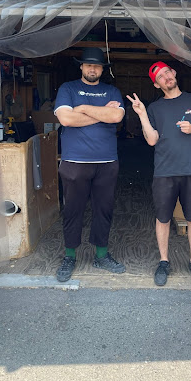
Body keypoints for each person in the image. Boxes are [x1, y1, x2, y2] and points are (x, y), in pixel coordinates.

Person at [127, 61, 191, 286]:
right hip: (164, 172)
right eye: (160, 77)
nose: (166, 77)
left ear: (174, 73)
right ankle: (164, 261)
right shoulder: (155, 108)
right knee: (163, 218)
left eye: (167, 72)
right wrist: (142, 114)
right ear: (157, 85)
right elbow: (151, 140)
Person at [54, 47, 126, 282]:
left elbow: (116, 118)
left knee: (103, 210)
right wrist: (102, 113)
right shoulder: (68, 88)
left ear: (102, 69)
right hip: (74, 162)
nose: (93, 68)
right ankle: (69, 256)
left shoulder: (112, 90)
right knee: (72, 211)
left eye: (97, 66)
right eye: (88, 65)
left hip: (107, 162)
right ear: (82, 67)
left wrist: (83, 109)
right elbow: (65, 119)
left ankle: (101, 255)